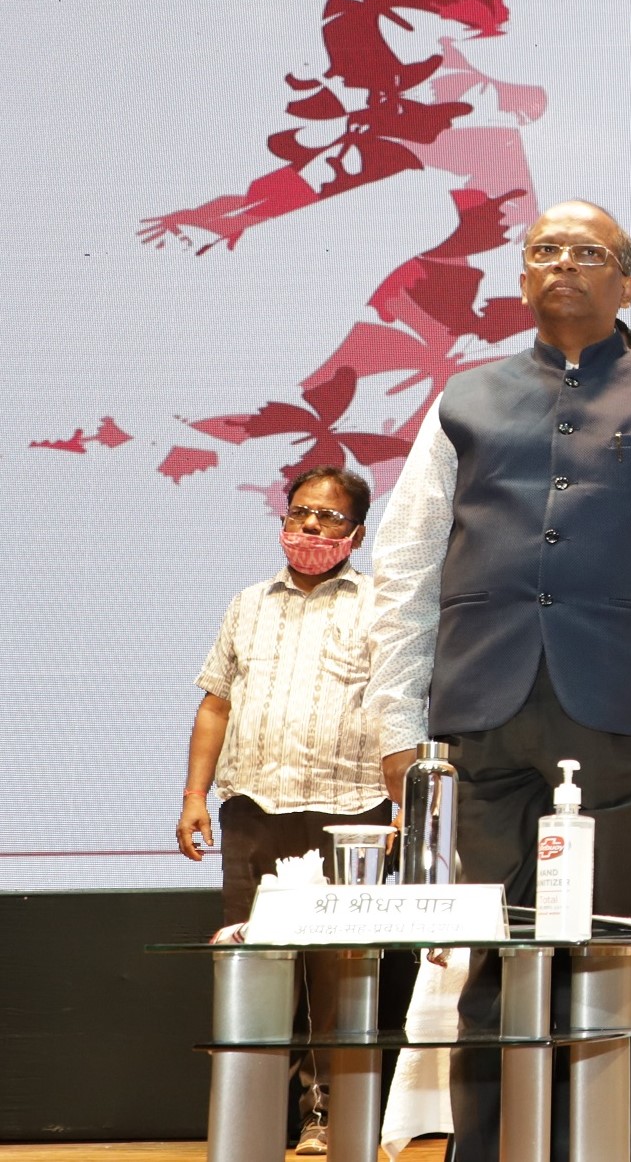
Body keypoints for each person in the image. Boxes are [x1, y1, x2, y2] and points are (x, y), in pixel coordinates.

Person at [367, 200, 631, 1162]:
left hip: (625, 712)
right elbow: (408, 563)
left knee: (610, 945)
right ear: (521, 274)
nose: (563, 266)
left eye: (588, 254)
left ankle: (611, 1143)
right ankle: (491, 1145)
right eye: (544, 250)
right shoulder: (463, 398)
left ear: (627, 283)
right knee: (494, 951)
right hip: (481, 711)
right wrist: (391, 716)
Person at [179, 464, 392, 1156]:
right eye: (300, 512)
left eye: (329, 518)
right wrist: (193, 798)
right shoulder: (248, 604)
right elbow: (215, 702)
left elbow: (403, 709)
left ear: (356, 533)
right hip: (253, 808)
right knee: (255, 962)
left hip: (349, 813)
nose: (309, 527)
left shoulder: (380, 604)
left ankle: (326, 1115)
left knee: (337, 974)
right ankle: (253, 1118)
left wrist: (403, 812)